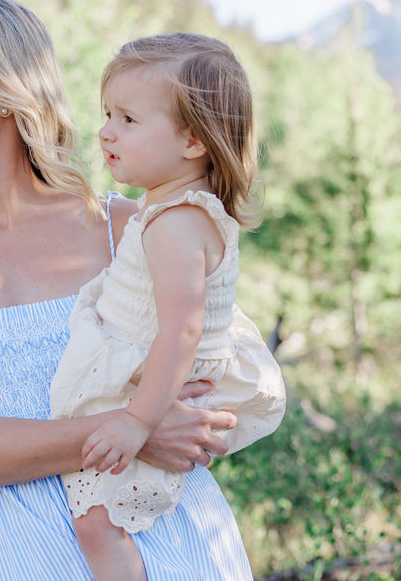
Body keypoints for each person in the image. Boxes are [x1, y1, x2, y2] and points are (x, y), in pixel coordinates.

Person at [0, 0, 274, 580]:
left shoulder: (129, 225)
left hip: (161, 543)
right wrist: (131, 428)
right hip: (0, 553)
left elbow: (217, 372)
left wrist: (170, 420)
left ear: (4, 84)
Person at [49, 34, 286, 580]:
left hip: (154, 386)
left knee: (98, 523)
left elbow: (181, 331)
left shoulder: (176, 224)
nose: (107, 131)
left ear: (193, 141)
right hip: (147, 370)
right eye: (107, 113)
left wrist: (137, 420)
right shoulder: (168, 209)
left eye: (129, 119)